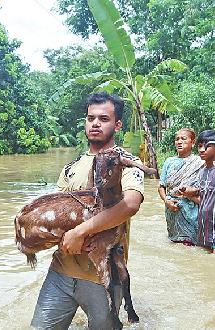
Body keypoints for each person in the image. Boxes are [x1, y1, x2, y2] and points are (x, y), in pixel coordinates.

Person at [31, 91, 146, 329]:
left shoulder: (125, 162)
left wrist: (79, 232)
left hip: (104, 277)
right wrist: (65, 238)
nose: (95, 123)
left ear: (118, 124)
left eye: (104, 118)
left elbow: (131, 204)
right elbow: (57, 215)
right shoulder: (70, 168)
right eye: (91, 118)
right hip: (61, 270)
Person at [158, 128, 204, 246]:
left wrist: (191, 191)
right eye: (177, 139)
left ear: (193, 143)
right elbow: (161, 186)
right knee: (175, 244)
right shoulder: (169, 162)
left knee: (191, 245)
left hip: (192, 209)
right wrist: (166, 201)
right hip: (172, 208)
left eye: (183, 139)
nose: (179, 142)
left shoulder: (200, 162)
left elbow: (206, 186)